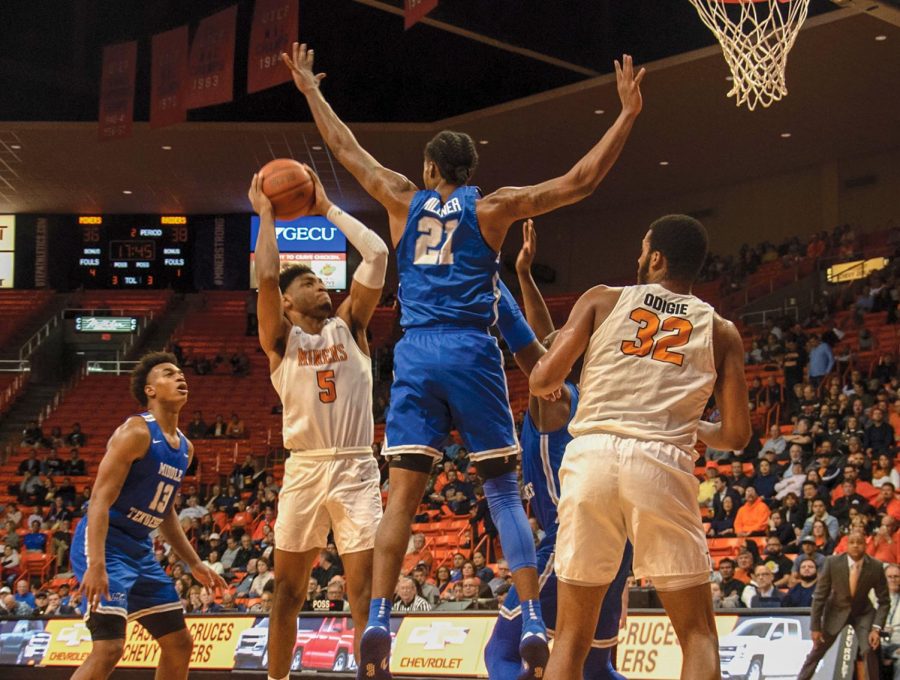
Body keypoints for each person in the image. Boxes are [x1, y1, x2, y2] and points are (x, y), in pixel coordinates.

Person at [283, 40, 645, 680]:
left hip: (418, 354)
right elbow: (579, 182)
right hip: (474, 350)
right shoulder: (493, 207)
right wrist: (625, 114)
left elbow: (345, 152)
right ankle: (533, 617)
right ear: (470, 168)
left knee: (400, 501)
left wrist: (312, 90)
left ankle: (376, 620)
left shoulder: (401, 197)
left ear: (428, 168)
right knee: (504, 492)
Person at [530, 215, 751, 680]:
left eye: (642, 249)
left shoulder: (602, 299)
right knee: (697, 636)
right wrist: (698, 431)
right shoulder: (721, 331)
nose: (637, 257)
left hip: (591, 457)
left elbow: (543, 378)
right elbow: (736, 436)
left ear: (656, 258)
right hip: (661, 462)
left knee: (570, 636)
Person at [248, 159, 387, 680]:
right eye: (308, 281)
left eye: (320, 278)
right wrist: (265, 214)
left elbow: (375, 252)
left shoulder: (350, 324)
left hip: (354, 468)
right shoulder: (281, 343)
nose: (321, 284)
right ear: (287, 301)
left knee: (364, 597)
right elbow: (265, 277)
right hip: (305, 468)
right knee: (286, 592)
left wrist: (327, 206)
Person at [485, 221, 631, 680]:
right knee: (595, 668)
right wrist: (525, 274)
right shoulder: (577, 395)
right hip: (615, 542)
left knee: (503, 655)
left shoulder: (554, 397)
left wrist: (488, 275)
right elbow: (543, 337)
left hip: (569, 541)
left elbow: (530, 345)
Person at [69, 352, 226, 680]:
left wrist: (194, 563)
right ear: (150, 390)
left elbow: (165, 511)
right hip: (107, 544)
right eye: (169, 374)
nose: (180, 377)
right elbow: (98, 500)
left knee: (180, 643)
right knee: (109, 648)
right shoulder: (136, 432)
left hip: (139, 550)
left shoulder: (185, 447)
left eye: (181, 373)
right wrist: (96, 564)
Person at [797, 530, 890, 680]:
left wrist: (876, 628)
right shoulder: (832, 562)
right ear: (846, 545)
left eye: (859, 543)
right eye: (852, 542)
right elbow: (820, 596)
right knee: (818, 649)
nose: (855, 546)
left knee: (868, 650)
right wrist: (815, 627)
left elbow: (884, 601)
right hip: (835, 609)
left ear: (865, 545)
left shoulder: (876, 566)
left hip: (862, 612)